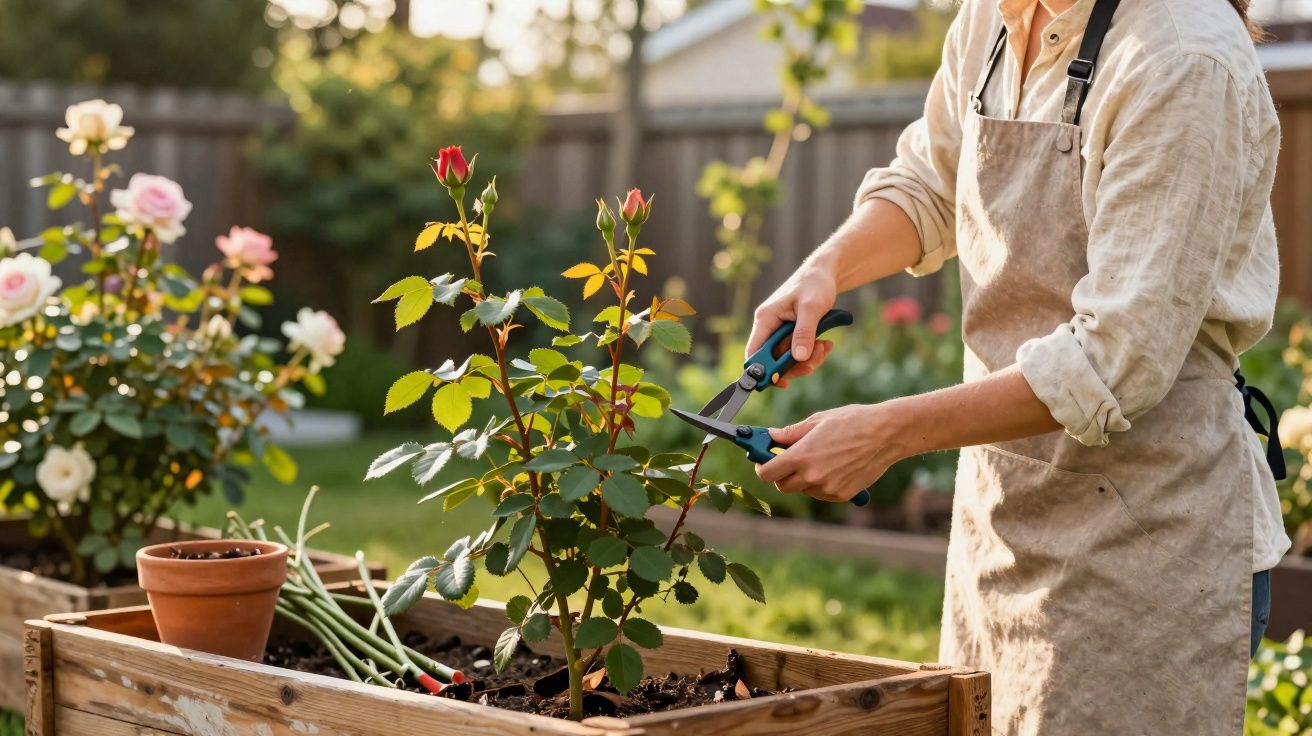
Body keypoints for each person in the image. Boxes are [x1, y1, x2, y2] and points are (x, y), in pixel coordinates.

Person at [745, 0, 1289, 732]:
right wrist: (826, 269)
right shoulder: (992, 20)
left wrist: (888, 433)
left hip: (1144, 540)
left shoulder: (1183, 56)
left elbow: (1112, 358)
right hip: (998, 522)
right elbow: (930, 184)